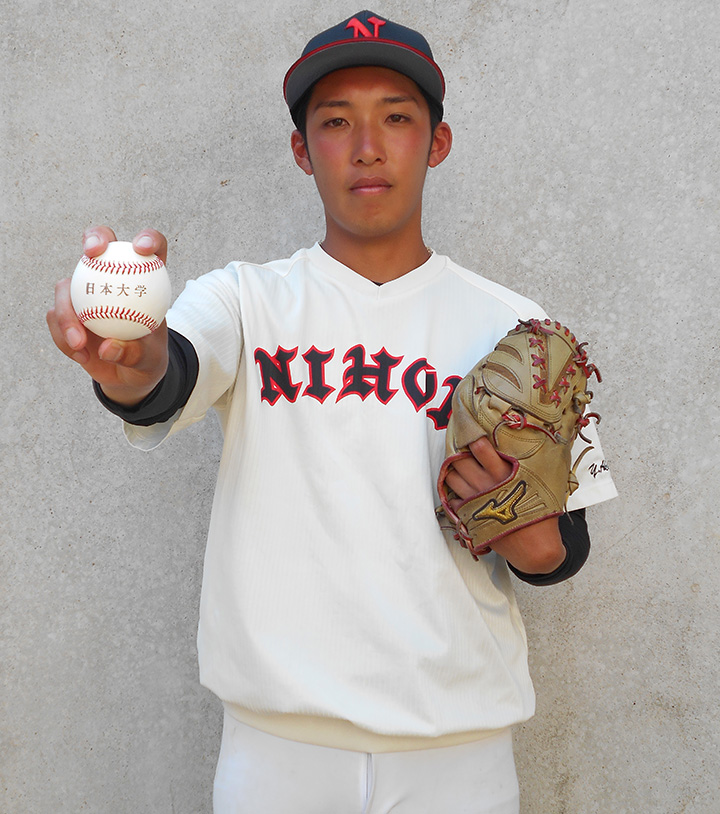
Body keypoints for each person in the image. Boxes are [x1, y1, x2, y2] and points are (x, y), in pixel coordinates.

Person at [47, 11, 617, 813]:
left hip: (459, 757)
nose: (368, 147)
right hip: (277, 756)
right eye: (337, 122)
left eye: (397, 118)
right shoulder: (245, 300)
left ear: (437, 142)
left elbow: (566, 548)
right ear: (301, 150)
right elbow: (170, 371)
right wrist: (132, 365)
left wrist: (532, 540)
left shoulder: (517, 327)